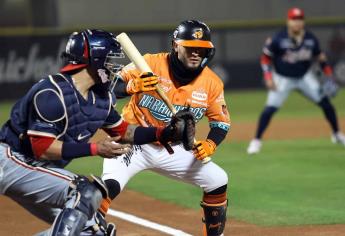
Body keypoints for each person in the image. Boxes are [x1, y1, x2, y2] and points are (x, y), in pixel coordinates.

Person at [0, 29, 193, 236]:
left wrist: (165, 133)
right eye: (109, 59)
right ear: (95, 59)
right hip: (10, 159)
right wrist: (95, 148)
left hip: (39, 168)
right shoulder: (52, 93)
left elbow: (124, 132)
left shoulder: (101, 98)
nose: (113, 66)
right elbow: (41, 148)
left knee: (94, 231)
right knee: (85, 191)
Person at [102, 20, 230, 236]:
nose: (196, 53)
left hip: (173, 147)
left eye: (201, 49)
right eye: (190, 47)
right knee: (108, 187)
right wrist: (132, 87)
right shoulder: (148, 64)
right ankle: (82, 228)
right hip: (132, 142)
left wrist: (210, 144)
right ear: (175, 45)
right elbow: (106, 89)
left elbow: (221, 123)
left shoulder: (212, 83)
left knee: (218, 180)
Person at [247, 7, 345, 154]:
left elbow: (321, 58)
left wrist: (329, 76)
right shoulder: (278, 38)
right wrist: (268, 77)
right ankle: (256, 141)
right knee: (270, 109)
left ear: (303, 22)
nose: (297, 22)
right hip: (282, 78)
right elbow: (265, 58)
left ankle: (337, 134)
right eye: (294, 19)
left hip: (304, 77)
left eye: (299, 19)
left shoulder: (310, 39)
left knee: (326, 104)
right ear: (288, 21)